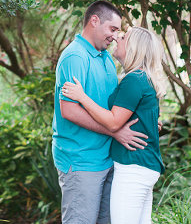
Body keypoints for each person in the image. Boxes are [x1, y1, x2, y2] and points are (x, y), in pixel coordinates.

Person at [53, 1, 149, 224]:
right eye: (113, 29)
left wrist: (146, 120)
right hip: (81, 160)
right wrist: (114, 132)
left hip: (107, 158)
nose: (116, 37)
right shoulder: (75, 57)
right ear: (94, 21)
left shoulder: (105, 56)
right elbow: (69, 110)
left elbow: (115, 105)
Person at [62, 26, 166, 224]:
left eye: (124, 37)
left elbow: (113, 122)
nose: (118, 38)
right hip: (142, 166)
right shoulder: (144, 78)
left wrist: (81, 97)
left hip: (133, 168)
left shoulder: (135, 80)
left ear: (134, 47)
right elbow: (147, 112)